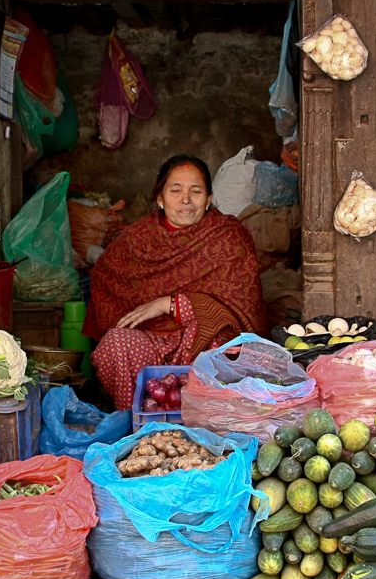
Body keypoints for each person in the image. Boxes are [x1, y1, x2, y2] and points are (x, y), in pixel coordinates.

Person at [84, 154, 268, 410]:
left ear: (209, 200)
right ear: (160, 198)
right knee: (114, 345)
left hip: (207, 342)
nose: (186, 200)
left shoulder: (228, 237)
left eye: (196, 191)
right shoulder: (137, 241)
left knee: (232, 346)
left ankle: (209, 422)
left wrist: (169, 304)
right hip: (153, 342)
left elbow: (240, 309)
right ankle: (139, 428)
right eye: (175, 190)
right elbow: (106, 275)